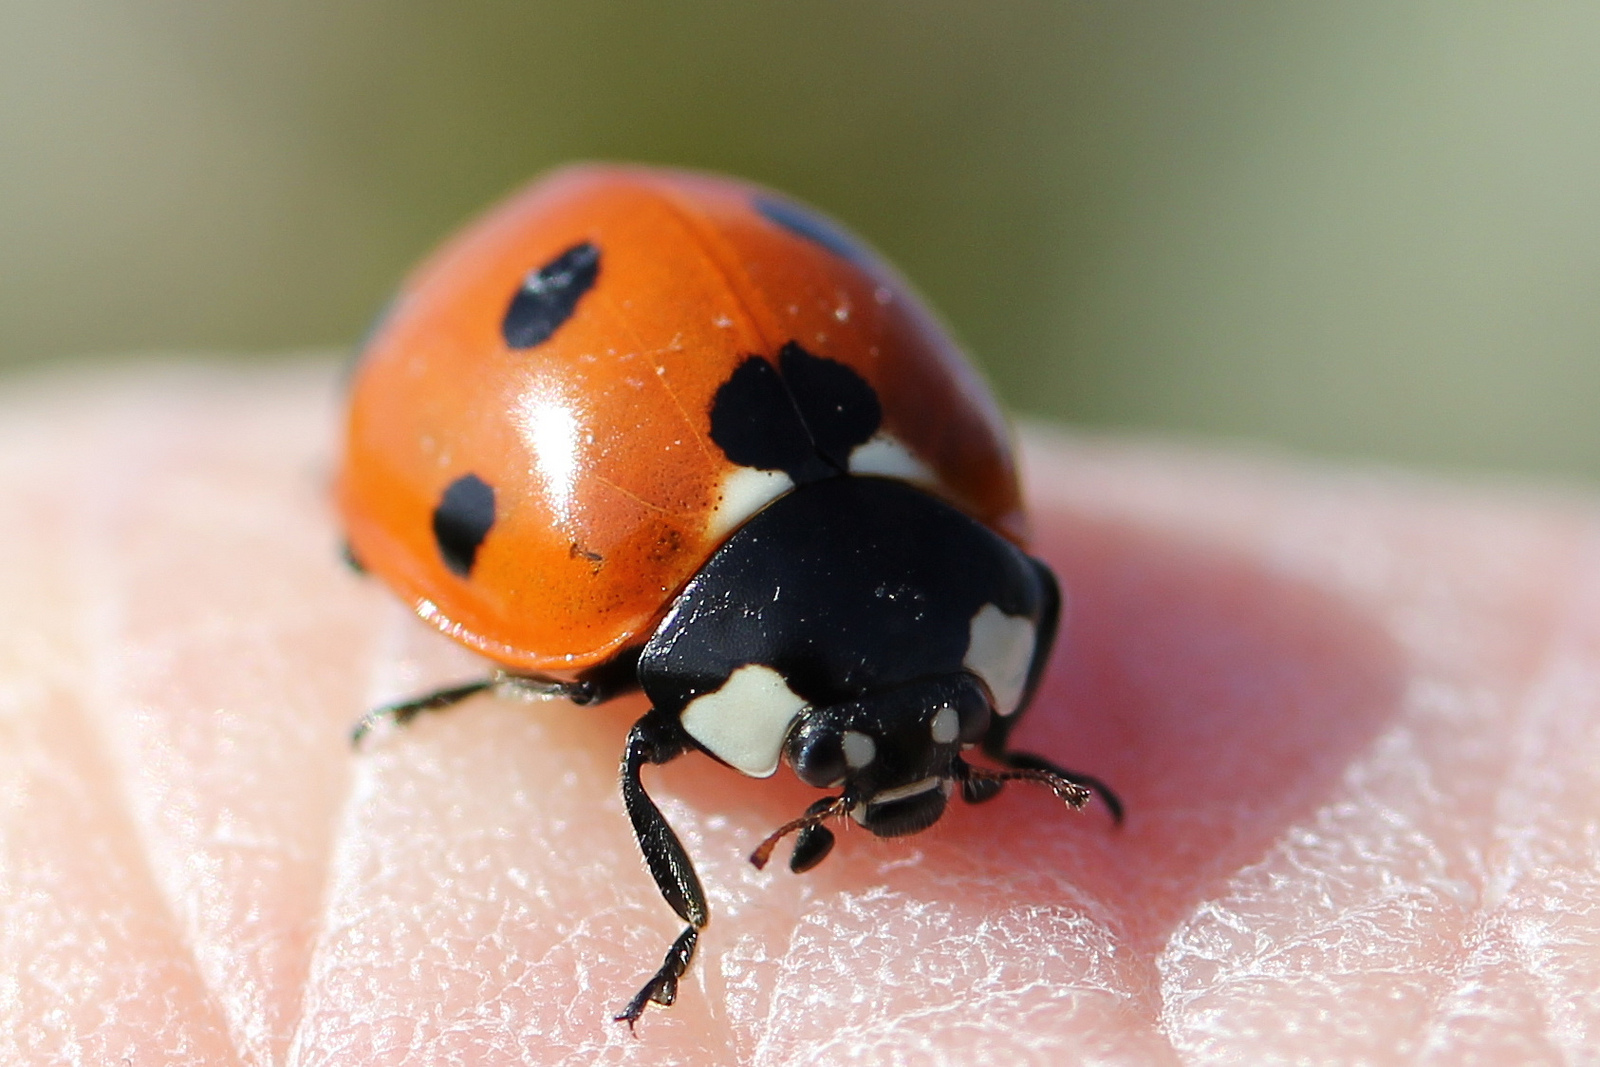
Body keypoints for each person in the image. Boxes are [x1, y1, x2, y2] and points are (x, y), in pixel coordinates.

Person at [2, 360, 1592, 1063]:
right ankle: (688, 932)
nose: (901, 777)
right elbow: (647, 729)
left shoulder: (949, 531)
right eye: (857, 756)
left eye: (950, 726)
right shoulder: (653, 608)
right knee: (591, 702)